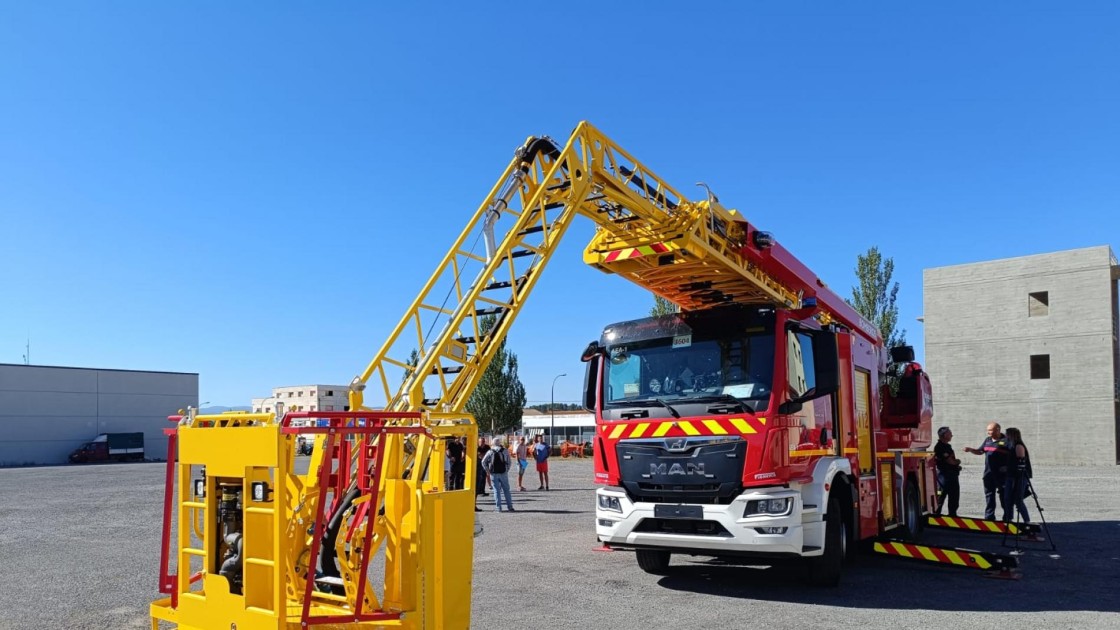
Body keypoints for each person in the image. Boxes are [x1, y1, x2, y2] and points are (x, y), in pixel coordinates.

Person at [964, 422, 1010, 520]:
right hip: (988, 474)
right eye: (987, 430)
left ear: (998, 430)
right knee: (989, 496)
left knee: (1004, 496)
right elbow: (981, 451)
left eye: (990, 430)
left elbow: (1013, 457)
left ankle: (1007, 518)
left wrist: (1007, 467)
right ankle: (989, 517)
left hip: (1002, 475)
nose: (988, 432)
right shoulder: (987, 440)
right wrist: (971, 450)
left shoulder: (1006, 441)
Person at [1002, 427, 1033, 523]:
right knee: (1007, 498)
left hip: (1019, 477)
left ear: (1011, 435)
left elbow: (1020, 463)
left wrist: (1008, 468)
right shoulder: (1011, 445)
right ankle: (1009, 519)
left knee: (1018, 500)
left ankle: (1026, 521)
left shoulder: (1018, 446)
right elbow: (1000, 443)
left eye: (1007, 434)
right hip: (1011, 476)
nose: (1005, 436)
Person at [932, 427, 961, 517]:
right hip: (944, 477)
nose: (952, 435)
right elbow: (950, 461)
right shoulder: (940, 447)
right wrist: (958, 461)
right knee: (940, 497)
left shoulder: (948, 446)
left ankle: (952, 515)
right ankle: (936, 516)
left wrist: (956, 466)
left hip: (952, 475)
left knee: (954, 497)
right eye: (950, 433)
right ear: (944, 435)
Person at [481, 437, 515, 512]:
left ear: (493, 443)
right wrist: (506, 470)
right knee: (506, 490)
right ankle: (510, 507)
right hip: (503, 472)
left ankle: (498, 508)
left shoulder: (490, 451)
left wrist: (488, 471)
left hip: (493, 473)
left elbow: (483, 462)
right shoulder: (505, 451)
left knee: (496, 491)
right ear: (499, 443)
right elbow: (509, 462)